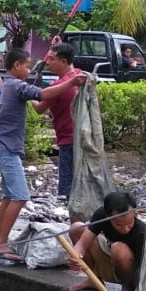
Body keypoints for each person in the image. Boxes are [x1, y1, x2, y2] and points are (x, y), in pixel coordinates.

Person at [0, 48, 87, 264]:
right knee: (20, 196)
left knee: (10, 196)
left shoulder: (1, 88)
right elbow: (42, 95)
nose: (29, 70)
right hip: (8, 146)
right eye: (27, 66)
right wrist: (71, 83)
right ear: (17, 66)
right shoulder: (17, 85)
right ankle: (0, 243)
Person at [68, 191, 146, 291]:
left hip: (133, 273)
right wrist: (75, 257)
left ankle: (127, 288)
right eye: (119, 225)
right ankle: (94, 279)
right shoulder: (101, 215)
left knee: (118, 248)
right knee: (76, 228)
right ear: (108, 215)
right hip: (109, 260)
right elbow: (82, 244)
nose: (126, 229)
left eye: (129, 224)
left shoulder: (141, 232)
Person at [30, 43, 84, 207]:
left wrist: (30, 92)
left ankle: (71, 213)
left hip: (67, 138)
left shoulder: (56, 88)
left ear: (63, 61)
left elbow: (39, 109)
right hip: (81, 136)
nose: (48, 62)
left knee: (67, 183)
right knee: (79, 179)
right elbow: (71, 65)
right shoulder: (78, 75)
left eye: (52, 59)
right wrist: (55, 46)